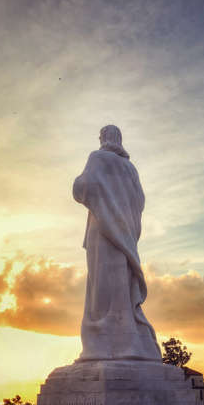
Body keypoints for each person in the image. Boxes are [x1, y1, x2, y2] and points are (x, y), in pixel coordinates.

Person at [73, 125, 161, 361]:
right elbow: (139, 201)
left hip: (102, 230)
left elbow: (84, 187)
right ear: (119, 139)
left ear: (103, 138)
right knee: (120, 284)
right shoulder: (130, 169)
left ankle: (101, 345)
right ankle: (126, 340)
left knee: (100, 288)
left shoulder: (97, 157)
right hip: (124, 233)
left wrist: (78, 184)